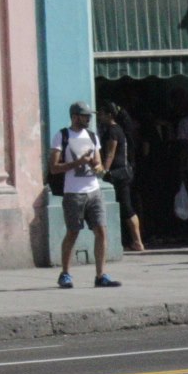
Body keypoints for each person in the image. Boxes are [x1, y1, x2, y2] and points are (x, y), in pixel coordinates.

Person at [51, 101, 120, 289]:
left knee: (101, 231)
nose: (89, 118)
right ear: (74, 117)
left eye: (89, 115)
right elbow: (54, 167)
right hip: (73, 193)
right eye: (85, 116)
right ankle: (65, 274)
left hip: (93, 191)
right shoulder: (62, 136)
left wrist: (95, 166)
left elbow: (98, 164)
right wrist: (77, 163)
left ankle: (100, 275)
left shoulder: (92, 136)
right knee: (73, 232)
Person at [100, 102, 144, 253]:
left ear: (109, 115)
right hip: (123, 173)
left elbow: (110, 153)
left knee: (126, 207)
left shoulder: (113, 131)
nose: (99, 116)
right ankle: (135, 241)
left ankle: (137, 241)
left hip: (119, 174)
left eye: (102, 113)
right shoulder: (117, 129)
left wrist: (104, 170)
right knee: (125, 206)